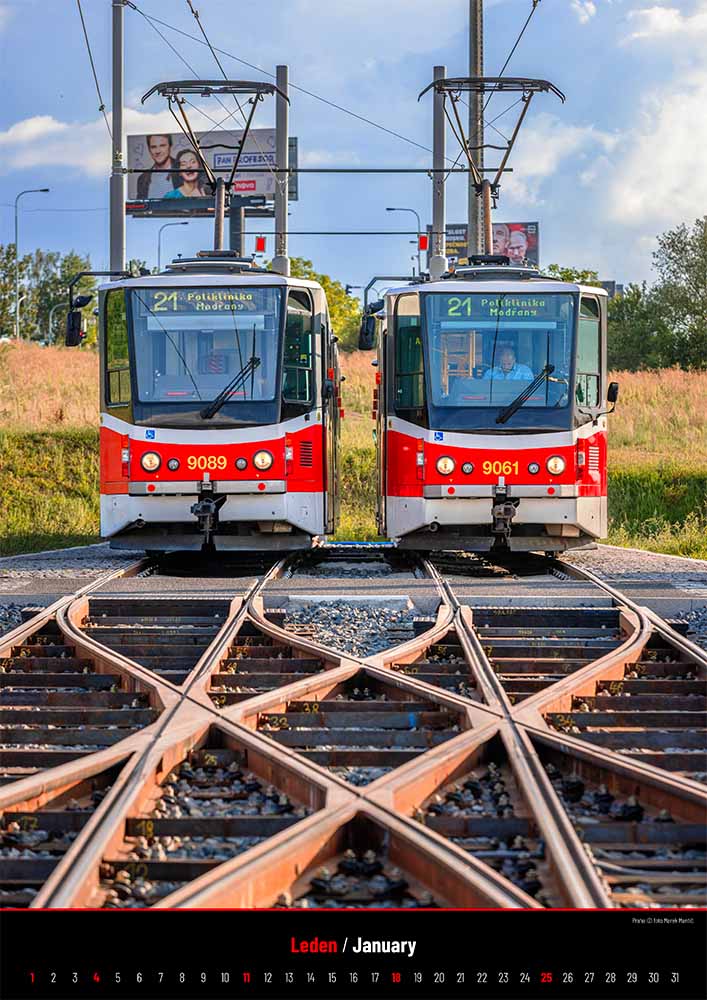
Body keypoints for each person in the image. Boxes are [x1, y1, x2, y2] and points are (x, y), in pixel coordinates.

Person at [136, 134, 179, 199]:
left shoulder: (183, 170)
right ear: (149, 149)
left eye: (162, 146)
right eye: (153, 147)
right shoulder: (142, 179)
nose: (158, 151)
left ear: (170, 146)